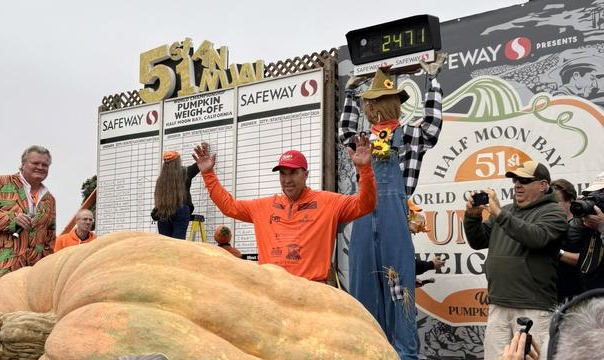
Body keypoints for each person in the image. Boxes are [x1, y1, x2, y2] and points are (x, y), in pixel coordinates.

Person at [339, 53, 445, 358]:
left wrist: (433, 79)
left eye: (377, 101)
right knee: (362, 287)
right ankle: (368, 350)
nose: (371, 107)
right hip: (362, 217)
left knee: (400, 292)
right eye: (368, 102)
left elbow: (433, 127)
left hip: (395, 219)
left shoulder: (411, 134)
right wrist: (349, 93)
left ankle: (404, 355)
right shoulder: (362, 139)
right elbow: (345, 131)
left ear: (393, 103)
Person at [192, 133, 376, 282]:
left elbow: (365, 205)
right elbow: (228, 207)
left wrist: (365, 169)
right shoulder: (263, 207)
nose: (287, 179)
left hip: (312, 292)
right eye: (282, 173)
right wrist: (208, 173)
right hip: (273, 293)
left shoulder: (329, 203)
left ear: (306, 174)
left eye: (294, 172)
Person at [464, 160, 567, 360]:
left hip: (534, 306)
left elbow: (536, 238)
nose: (517, 184)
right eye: (515, 180)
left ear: (543, 185)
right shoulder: (507, 211)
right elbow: (478, 241)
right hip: (499, 302)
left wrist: (499, 214)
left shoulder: (554, 213)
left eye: (525, 180)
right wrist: (472, 216)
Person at [0, 145, 56, 297]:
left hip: (31, 279)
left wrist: (44, 273)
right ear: (23, 164)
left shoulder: (49, 199)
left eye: (45, 165)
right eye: (35, 163)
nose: (40, 167)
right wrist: (11, 219)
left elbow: (49, 237)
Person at [566, 171, 604, 291]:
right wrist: (580, 215)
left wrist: (602, 225)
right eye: (594, 193)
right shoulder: (591, 220)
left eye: (602, 192)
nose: (598, 197)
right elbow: (571, 236)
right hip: (591, 292)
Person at [153, 149, 200, 239]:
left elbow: (157, 200)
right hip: (181, 211)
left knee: (165, 243)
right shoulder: (185, 172)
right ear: (178, 162)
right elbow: (198, 166)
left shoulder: (160, 180)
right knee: (178, 243)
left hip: (164, 212)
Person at [550, 179, 584, 302]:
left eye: (556, 202)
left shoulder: (585, 225)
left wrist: (557, 253)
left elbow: (586, 261)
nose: (551, 207)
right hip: (552, 297)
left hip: (579, 296)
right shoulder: (547, 227)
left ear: (571, 200)